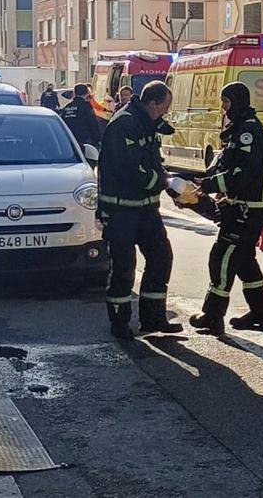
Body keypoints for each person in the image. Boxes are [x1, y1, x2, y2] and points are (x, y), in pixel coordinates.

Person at [188, 82, 263, 335]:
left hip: (248, 207)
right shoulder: (242, 128)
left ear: (237, 101)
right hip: (246, 205)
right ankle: (260, 314)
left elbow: (244, 172)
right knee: (245, 260)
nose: (224, 108)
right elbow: (228, 164)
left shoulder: (248, 131)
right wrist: (205, 180)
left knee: (222, 257)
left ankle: (212, 315)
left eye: (226, 103)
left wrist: (211, 185)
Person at [98, 81, 183, 339]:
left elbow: (151, 161)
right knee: (124, 269)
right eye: (164, 108)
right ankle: (120, 323)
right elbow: (131, 170)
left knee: (161, 258)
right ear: (152, 103)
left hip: (146, 210)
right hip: (121, 210)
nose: (164, 114)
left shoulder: (146, 122)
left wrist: (168, 181)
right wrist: (163, 181)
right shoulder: (125, 123)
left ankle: (153, 318)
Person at [61, 83, 100, 148]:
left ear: (75, 93)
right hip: (84, 141)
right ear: (87, 93)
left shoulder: (66, 107)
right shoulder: (86, 106)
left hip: (69, 141)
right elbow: (92, 123)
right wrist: (97, 139)